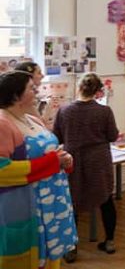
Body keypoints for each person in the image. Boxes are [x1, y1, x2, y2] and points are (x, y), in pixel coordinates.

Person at [0, 70, 78, 267]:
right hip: (27, 204)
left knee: (52, 256)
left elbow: (51, 152)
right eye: (31, 88)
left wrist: (65, 159)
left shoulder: (32, 119)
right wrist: (53, 163)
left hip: (53, 199)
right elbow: (2, 171)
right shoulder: (3, 124)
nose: (37, 91)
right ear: (16, 95)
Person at [54, 73, 120, 260]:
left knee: (72, 202)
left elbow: (57, 137)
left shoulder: (64, 110)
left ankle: (71, 248)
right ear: (98, 91)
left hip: (73, 158)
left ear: (79, 88)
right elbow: (113, 136)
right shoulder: (104, 111)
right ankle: (109, 241)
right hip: (98, 160)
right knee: (106, 199)